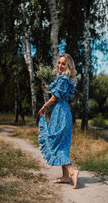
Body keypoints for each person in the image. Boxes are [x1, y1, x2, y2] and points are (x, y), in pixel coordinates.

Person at [38, 53, 79, 189]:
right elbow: (53, 90)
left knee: (55, 142)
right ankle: (65, 177)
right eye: (59, 63)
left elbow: (55, 98)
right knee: (62, 144)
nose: (60, 65)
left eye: (63, 64)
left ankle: (72, 171)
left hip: (60, 113)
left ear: (68, 66)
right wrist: (46, 84)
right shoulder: (66, 79)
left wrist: (44, 106)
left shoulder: (63, 79)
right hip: (64, 112)